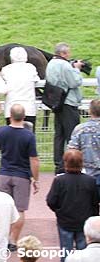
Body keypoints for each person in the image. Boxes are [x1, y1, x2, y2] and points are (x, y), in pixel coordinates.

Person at [0, 104, 40, 250]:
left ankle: (3, 238)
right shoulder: (29, 136)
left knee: (3, 209)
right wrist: (35, 179)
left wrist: (4, 146)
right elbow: (34, 159)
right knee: (19, 210)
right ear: (24, 117)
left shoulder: (1, 131)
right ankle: (13, 240)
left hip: (4, 174)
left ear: (9, 116)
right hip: (22, 176)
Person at [47, 150, 99, 262]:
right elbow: (95, 201)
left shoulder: (59, 181)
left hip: (65, 221)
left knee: (66, 253)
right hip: (84, 222)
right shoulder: (90, 181)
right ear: (82, 163)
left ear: (65, 163)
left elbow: (51, 200)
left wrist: (58, 211)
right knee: (84, 253)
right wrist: (92, 215)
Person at [46, 42, 84, 174]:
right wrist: (77, 69)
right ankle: (72, 164)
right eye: (68, 52)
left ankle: (59, 165)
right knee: (72, 135)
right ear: (62, 53)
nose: (69, 55)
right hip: (69, 102)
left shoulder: (51, 63)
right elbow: (75, 82)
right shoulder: (64, 65)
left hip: (57, 102)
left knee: (59, 135)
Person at [1, 47, 40, 130]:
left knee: (12, 137)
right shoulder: (31, 68)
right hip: (28, 109)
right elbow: (36, 79)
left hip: (11, 109)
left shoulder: (6, 69)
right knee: (28, 136)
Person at [68, 99, 100, 195]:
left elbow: (72, 150)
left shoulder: (80, 129)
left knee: (86, 204)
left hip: (86, 173)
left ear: (90, 111)